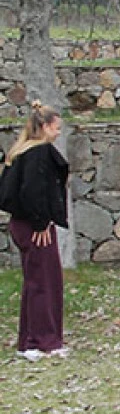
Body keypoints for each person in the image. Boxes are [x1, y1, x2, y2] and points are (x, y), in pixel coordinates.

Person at [0, 103, 69, 361]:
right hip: (34, 226)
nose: (58, 133)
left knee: (35, 281)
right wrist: (41, 222)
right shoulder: (39, 153)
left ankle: (29, 341)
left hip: (22, 223)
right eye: (56, 128)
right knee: (44, 282)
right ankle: (42, 341)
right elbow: (33, 189)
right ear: (45, 126)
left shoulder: (20, 152)